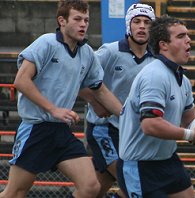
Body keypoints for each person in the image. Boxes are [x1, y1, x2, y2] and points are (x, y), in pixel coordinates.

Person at [0, 1, 122, 198]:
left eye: (86, 20)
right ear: (62, 21)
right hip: (36, 129)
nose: (83, 24)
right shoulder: (47, 43)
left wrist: (126, 115)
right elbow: (21, 81)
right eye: (77, 19)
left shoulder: (86, 53)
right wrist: (53, 109)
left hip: (61, 132)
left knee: (91, 187)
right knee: (15, 192)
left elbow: (99, 90)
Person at [117, 15, 195, 198]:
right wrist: (192, 135)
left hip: (167, 160)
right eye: (181, 36)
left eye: (188, 35)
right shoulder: (155, 76)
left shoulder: (183, 81)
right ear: (163, 45)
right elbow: (150, 125)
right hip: (140, 165)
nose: (188, 40)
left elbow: (190, 120)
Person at [78, 3, 156, 197]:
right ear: (128, 25)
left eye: (147, 22)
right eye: (137, 21)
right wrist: (96, 103)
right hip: (105, 130)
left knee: (94, 190)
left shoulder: (155, 60)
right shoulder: (109, 52)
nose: (142, 26)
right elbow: (77, 79)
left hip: (133, 134)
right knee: (135, 184)